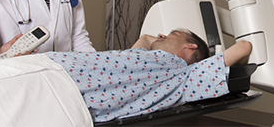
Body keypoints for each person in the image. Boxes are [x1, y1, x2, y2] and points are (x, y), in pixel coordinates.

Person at [45, 29, 252, 122]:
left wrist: (202, 59)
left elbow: (244, 47)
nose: (161, 35)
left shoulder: (185, 75)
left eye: (172, 33)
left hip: (60, 91)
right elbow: (145, 38)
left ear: (190, 46)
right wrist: (167, 41)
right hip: (50, 64)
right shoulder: (142, 54)